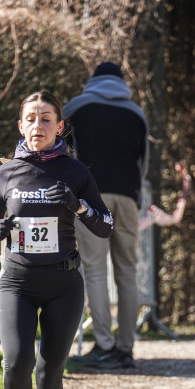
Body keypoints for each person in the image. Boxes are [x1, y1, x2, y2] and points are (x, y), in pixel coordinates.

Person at [0, 91, 113, 389]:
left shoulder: (75, 172)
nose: (37, 126)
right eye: (31, 119)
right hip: (17, 283)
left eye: (45, 119)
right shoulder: (6, 172)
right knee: (16, 362)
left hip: (63, 284)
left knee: (49, 371)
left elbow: (105, 226)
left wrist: (77, 204)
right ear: (20, 125)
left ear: (60, 126)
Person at [63, 62, 148, 369]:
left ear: (92, 81)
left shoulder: (75, 107)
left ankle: (104, 346)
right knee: (127, 271)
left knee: (96, 270)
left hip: (89, 197)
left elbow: (63, 155)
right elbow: (143, 163)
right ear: (122, 83)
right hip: (127, 197)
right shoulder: (136, 114)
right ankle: (126, 348)